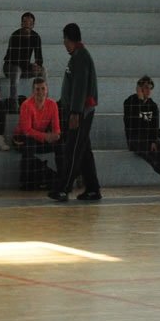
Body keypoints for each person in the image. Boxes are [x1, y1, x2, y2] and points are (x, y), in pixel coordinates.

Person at [49, 23, 101, 202]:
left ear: (69, 39)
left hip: (80, 112)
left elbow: (79, 87)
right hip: (78, 110)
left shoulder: (80, 57)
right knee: (84, 151)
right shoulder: (78, 56)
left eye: (64, 39)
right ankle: (93, 188)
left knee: (72, 150)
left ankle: (64, 188)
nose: (64, 43)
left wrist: (75, 113)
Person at [12, 77, 61, 190]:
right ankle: (25, 181)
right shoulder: (26, 105)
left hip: (40, 138)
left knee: (61, 145)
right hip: (21, 139)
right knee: (30, 144)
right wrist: (45, 136)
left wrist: (56, 135)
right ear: (33, 91)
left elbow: (56, 128)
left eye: (43, 88)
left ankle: (63, 178)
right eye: (37, 89)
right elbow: (26, 130)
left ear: (47, 89)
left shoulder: (52, 104)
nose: (40, 92)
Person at [3, 12, 45, 111]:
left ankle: (43, 101)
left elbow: (39, 57)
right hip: (10, 66)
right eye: (25, 22)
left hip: (25, 67)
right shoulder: (15, 36)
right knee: (17, 71)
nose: (27, 25)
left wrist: (37, 65)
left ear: (33, 25)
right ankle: (14, 104)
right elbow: (14, 59)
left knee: (43, 71)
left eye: (30, 23)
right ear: (21, 24)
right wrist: (30, 65)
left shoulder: (36, 37)